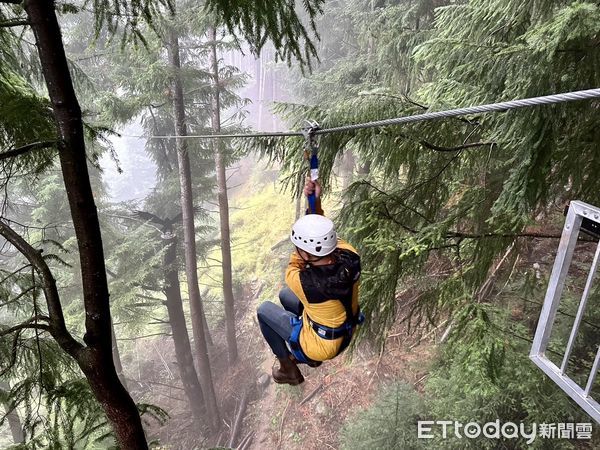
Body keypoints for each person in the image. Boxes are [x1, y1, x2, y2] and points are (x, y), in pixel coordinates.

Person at [257, 177, 363, 385]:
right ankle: (309, 356)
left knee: (263, 310)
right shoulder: (350, 254)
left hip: (321, 346)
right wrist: (315, 204)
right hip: (346, 329)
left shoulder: (303, 281)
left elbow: (299, 259)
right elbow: (324, 241)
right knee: (284, 295)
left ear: (304, 253)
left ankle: (288, 367)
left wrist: (312, 210)